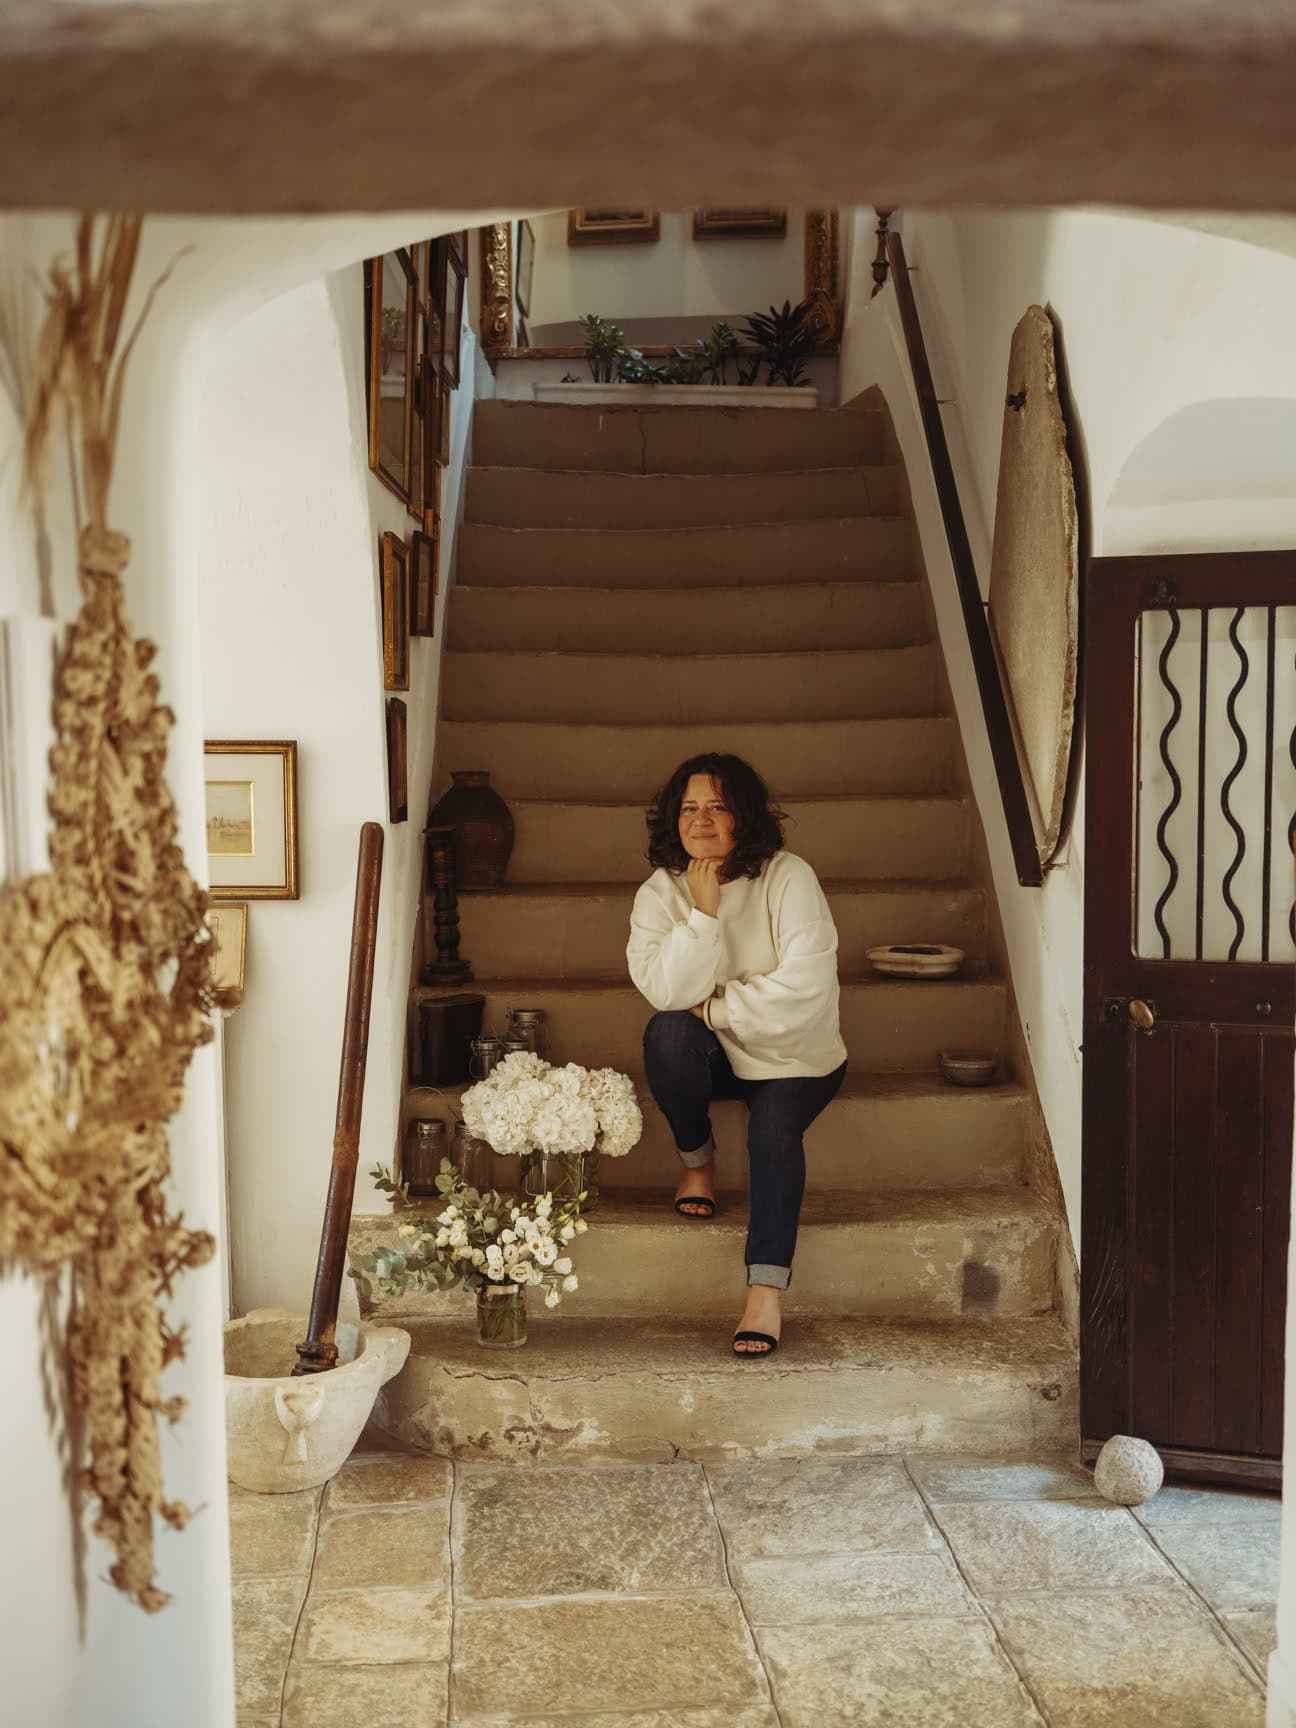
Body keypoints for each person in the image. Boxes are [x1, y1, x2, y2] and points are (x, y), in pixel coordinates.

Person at [626, 752, 848, 1358]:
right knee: (667, 1034)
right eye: (689, 807)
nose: (701, 820)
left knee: (774, 1129)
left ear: (743, 816)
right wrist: (702, 914)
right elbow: (668, 995)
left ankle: (765, 1292)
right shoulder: (661, 892)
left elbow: (804, 994)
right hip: (721, 1051)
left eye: (717, 806)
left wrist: (716, 1010)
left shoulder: (788, 877)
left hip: (796, 1056)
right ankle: (697, 1160)